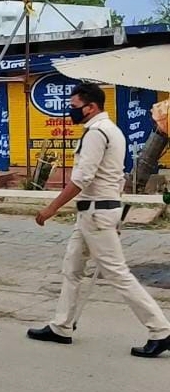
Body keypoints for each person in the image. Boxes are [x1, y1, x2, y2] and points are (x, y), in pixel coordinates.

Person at [27, 83, 170, 358]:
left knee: (118, 274)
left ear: (91, 107)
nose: (71, 111)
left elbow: (81, 179)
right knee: (72, 267)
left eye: (74, 106)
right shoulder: (113, 131)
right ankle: (62, 326)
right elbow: (116, 178)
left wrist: (50, 209)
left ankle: (160, 330)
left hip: (95, 213)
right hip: (96, 212)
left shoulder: (96, 134)